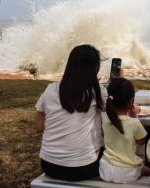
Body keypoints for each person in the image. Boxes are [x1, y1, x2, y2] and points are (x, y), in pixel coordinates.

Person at [35, 44, 106, 181]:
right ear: (95, 68)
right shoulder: (97, 92)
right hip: (83, 168)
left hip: (49, 165)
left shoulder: (50, 89)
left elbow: (39, 127)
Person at [99, 78, 150, 183]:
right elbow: (140, 142)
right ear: (131, 101)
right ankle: (143, 171)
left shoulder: (104, 116)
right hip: (127, 173)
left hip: (105, 169)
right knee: (147, 169)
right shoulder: (134, 123)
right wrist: (134, 118)